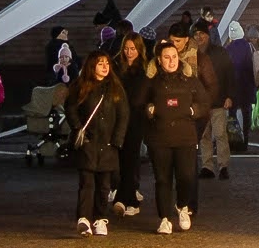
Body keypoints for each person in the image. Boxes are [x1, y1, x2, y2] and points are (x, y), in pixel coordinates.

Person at [142, 39, 211, 234]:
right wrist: (150, 109)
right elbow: (139, 101)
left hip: (185, 137)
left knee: (186, 176)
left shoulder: (190, 80)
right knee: (163, 179)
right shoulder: (153, 82)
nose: (171, 61)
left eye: (174, 57)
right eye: (167, 58)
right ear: (159, 60)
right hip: (160, 137)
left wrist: (192, 111)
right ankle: (164, 218)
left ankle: (182, 207)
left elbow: (204, 103)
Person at [67, 49, 128, 236]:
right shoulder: (81, 86)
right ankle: (84, 218)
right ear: (92, 66)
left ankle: (100, 218)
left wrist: (117, 139)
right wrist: (79, 129)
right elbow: (71, 108)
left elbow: (123, 113)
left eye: (107, 64)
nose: (105, 67)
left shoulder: (115, 88)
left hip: (108, 143)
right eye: (100, 64)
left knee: (104, 185)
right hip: (89, 141)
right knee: (87, 183)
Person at [113, 33, 152, 214]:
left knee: (131, 157)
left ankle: (126, 199)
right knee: (121, 159)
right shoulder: (117, 66)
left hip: (135, 118)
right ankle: (128, 198)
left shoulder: (143, 69)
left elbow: (141, 96)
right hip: (119, 117)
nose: (129, 52)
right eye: (127, 48)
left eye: (132, 49)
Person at [191, 26, 235, 181]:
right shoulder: (191, 54)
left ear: (207, 35)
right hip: (200, 103)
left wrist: (229, 96)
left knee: (220, 134)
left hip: (217, 101)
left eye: (201, 33)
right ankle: (207, 166)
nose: (198, 37)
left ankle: (223, 165)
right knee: (204, 136)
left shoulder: (219, 52)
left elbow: (229, 74)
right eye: (196, 34)